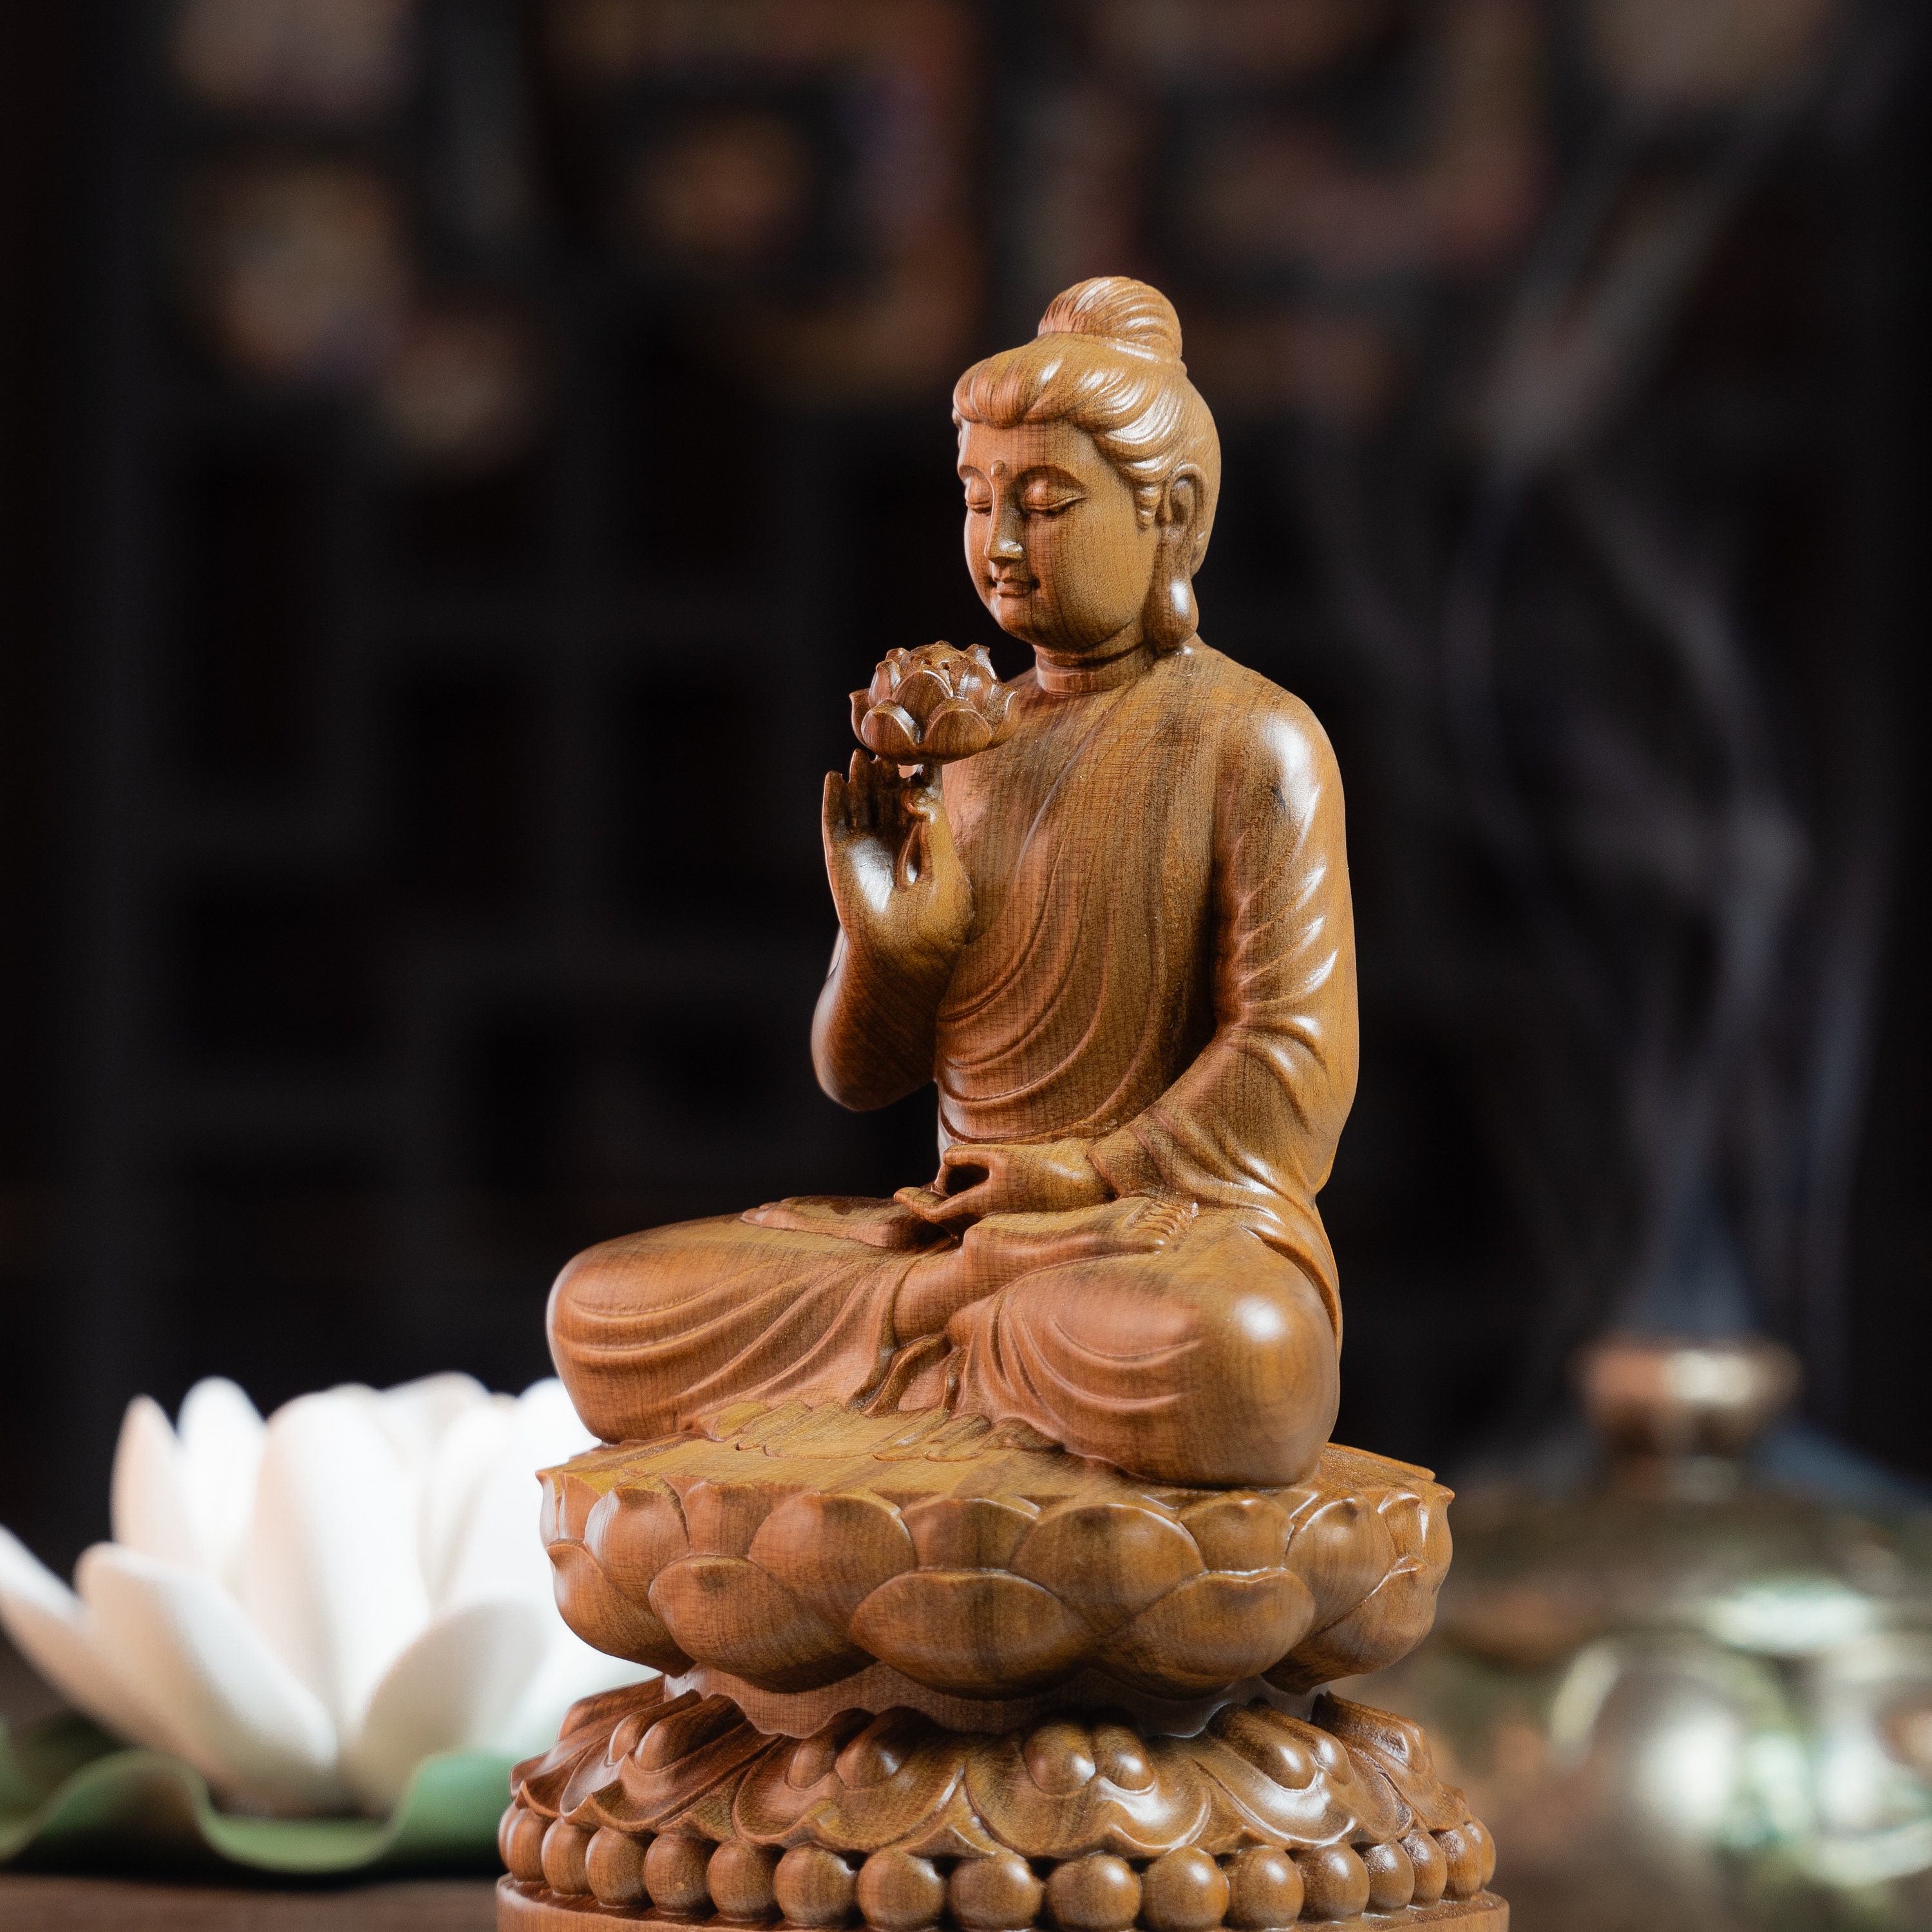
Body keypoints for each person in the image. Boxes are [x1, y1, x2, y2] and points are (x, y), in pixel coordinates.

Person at [549, 277, 1358, 1489]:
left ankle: (940, 1342)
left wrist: (1081, 1175)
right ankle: (951, 1326)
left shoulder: (1254, 741)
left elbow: (1294, 1060)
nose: (1001, 546)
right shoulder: (966, 744)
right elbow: (858, 1074)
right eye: (978, 502)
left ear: (1172, 518)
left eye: (1045, 503)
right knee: (599, 1310)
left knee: (1241, 1358)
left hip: (1147, 1241)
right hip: (958, 1236)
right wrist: (890, 946)